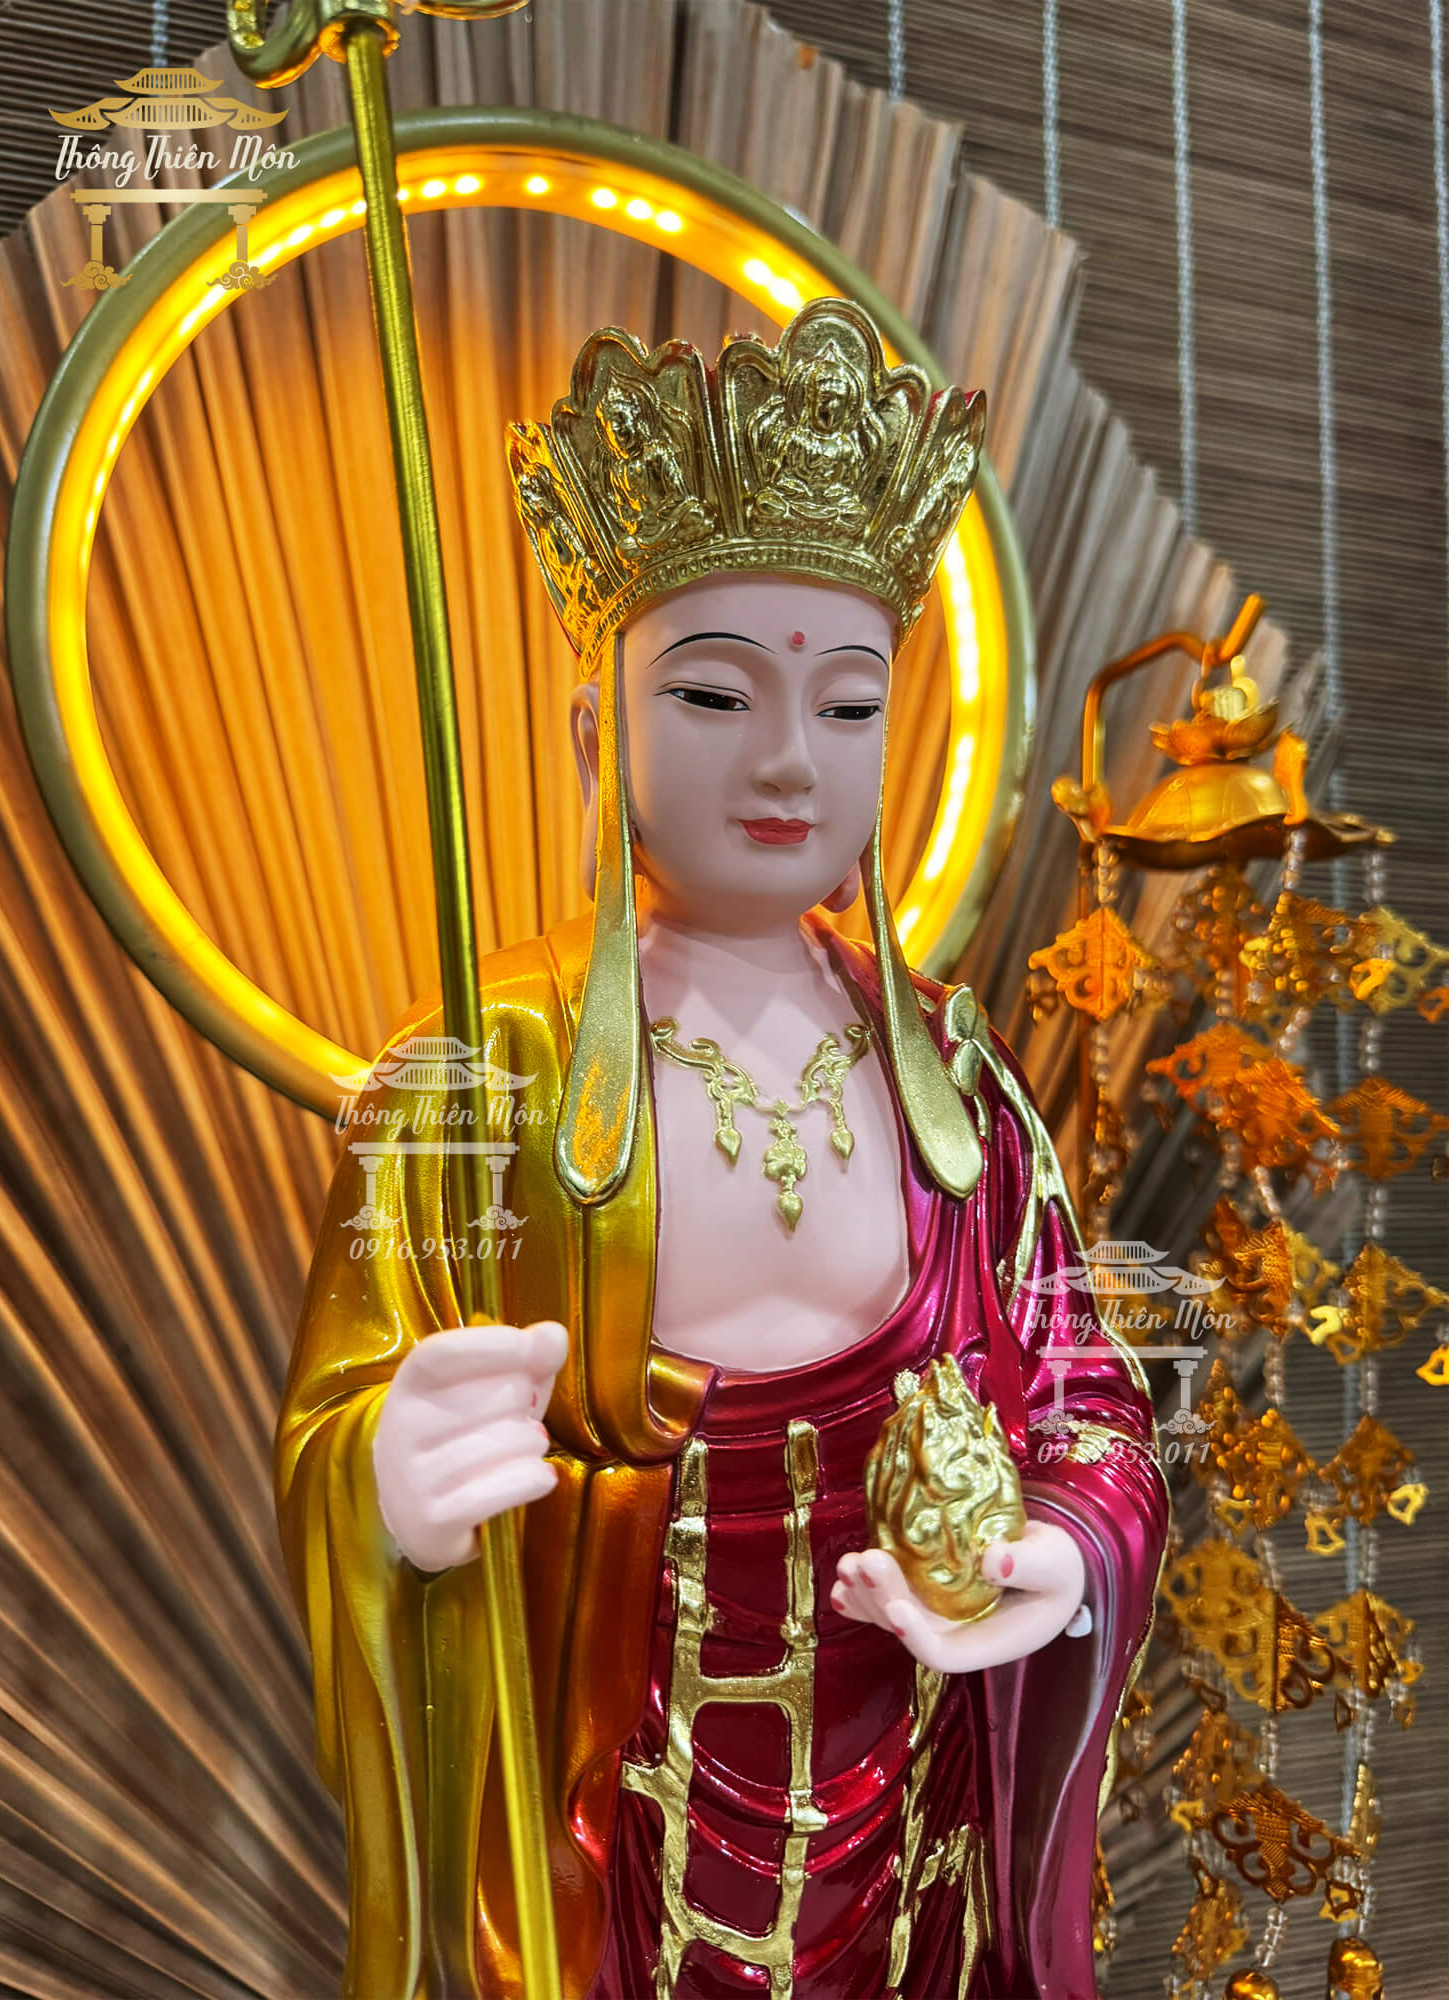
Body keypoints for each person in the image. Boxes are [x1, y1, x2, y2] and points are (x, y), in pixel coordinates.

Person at [280, 297, 1168, 1999]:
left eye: (848, 707)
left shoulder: (952, 1074)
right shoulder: (487, 1069)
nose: (785, 760)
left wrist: (1056, 1553)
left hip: (916, 1804)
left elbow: (1086, 1397)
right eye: (711, 692)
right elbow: (342, 1417)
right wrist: (389, 1480)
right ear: (594, 729)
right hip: (611, 1803)